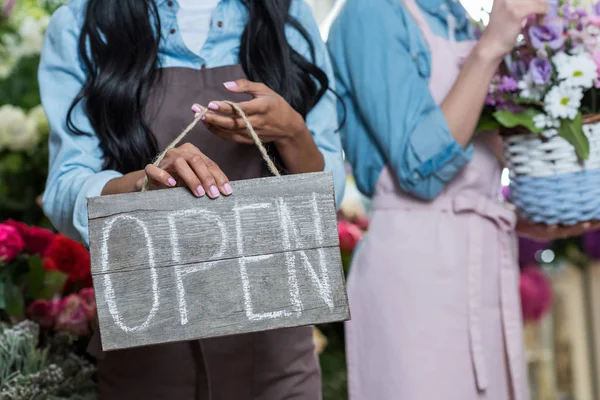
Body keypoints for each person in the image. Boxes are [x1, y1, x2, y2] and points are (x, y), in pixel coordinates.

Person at [39, 0, 345, 398]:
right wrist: (142, 185)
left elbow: (327, 196)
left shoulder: (287, 15)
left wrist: (292, 134)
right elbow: (64, 190)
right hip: (148, 355)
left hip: (278, 354)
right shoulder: (81, 24)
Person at [327, 0, 598, 399]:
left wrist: (530, 218)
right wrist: (491, 47)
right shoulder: (370, 12)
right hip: (416, 276)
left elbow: (479, 167)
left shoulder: (458, 18)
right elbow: (420, 172)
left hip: (485, 265)